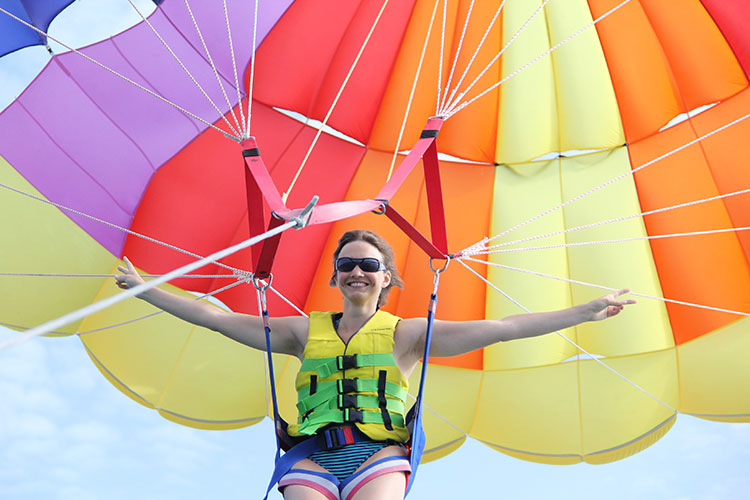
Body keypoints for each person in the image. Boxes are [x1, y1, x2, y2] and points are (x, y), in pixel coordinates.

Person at [114, 229, 635, 500]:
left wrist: (584, 313)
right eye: (347, 266)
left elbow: (502, 330)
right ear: (336, 278)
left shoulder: (405, 335)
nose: (357, 272)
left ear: (386, 278)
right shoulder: (301, 331)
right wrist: (145, 290)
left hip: (376, 457)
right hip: (311, 458)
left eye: (369, 265)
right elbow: (216, 318)